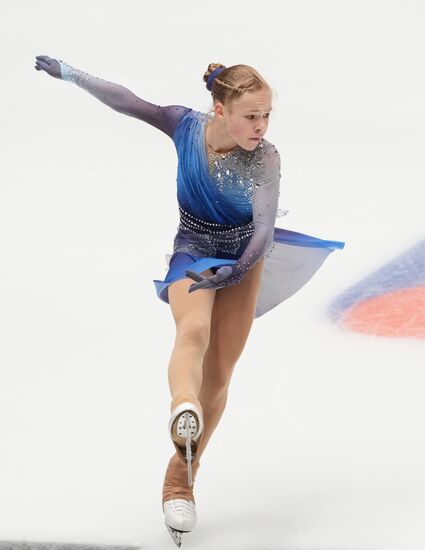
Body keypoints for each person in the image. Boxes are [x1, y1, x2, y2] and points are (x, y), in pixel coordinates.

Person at [34, 55, 345, 547]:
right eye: (250, 115)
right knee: (192, 332)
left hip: (244, 257)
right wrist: (72, 75)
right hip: (194, 251)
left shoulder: (266, 159)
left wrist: (238, 270)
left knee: (219, 375)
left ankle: (182, 473)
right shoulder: (184, 126)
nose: (260, 126)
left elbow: (263, 231)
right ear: (219, 109)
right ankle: (184, 408)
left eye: (266, 116)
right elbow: (128, 101)